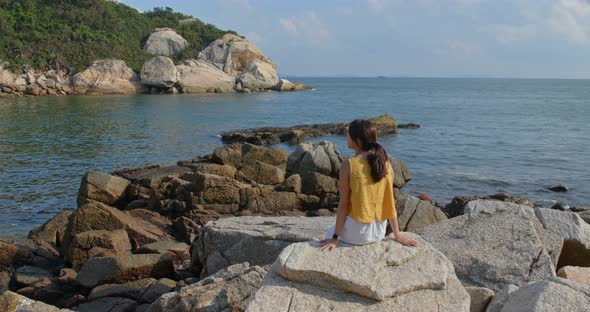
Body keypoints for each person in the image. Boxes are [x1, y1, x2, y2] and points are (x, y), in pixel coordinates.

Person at [319, 119, 417, 251]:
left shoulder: (348, 165)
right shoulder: (385, 163)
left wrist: (335, 238)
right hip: (379, 232)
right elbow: (389, 201)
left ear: (358, 140)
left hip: (358, 234)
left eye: (348, 134)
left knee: (329, 232)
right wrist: (397, 234)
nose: (346, 137)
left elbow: (343, 205)